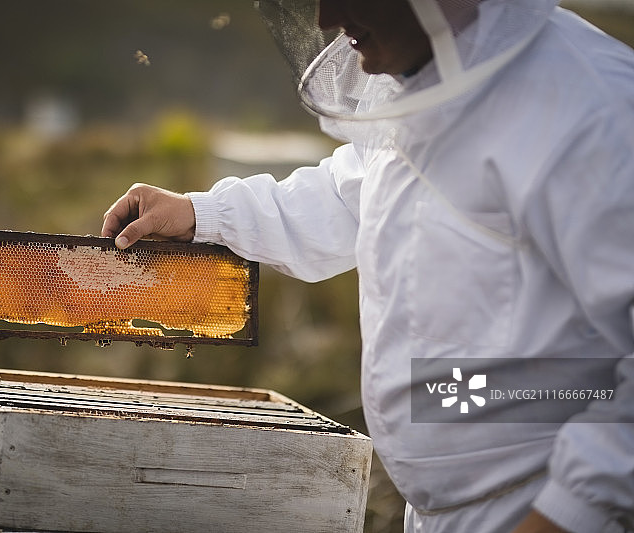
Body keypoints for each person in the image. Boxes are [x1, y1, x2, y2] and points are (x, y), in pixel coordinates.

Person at [102, 1, 634, 531]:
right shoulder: (421, 88)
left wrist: (569, 511)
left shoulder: (596, 109)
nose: (327, 19)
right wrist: (201, 214)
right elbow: (346, 195)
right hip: (440, 513)